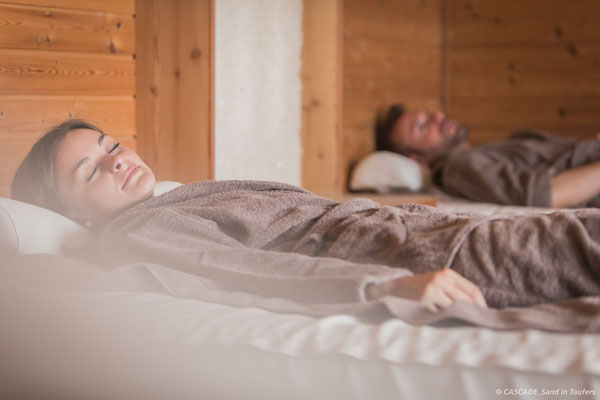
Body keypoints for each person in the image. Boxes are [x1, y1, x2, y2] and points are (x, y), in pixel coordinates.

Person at [11, 120, 600, 314]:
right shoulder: (144, 229)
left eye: (110, 146)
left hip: (424, 233)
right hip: (420, 257)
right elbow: (243, 272)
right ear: (70, 213)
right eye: (89, 172)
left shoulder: (177, 196)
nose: (117, 164)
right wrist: (385, 285)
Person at [375, 104, 600, 208]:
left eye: (429, 113)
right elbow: (549, 195)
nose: (438, 116)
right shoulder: (459, 167)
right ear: (417, 160)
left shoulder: (481, 153)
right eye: (422, 126)